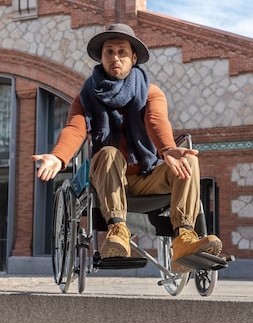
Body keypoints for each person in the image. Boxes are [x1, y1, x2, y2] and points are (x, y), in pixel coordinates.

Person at [31, 23, 222, 273]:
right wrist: (58, 157)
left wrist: (167, 149)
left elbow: (155, 121)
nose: (115, 57)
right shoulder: (86, 96)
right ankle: (117, 231)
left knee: (190, 163)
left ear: (133, 58)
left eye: (122, 52)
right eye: (109, 51)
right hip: (108, 179)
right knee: (109, 152)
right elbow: (75, 128)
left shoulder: (150, 92)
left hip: (146, 176)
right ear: (101, 58)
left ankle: (184, 240)